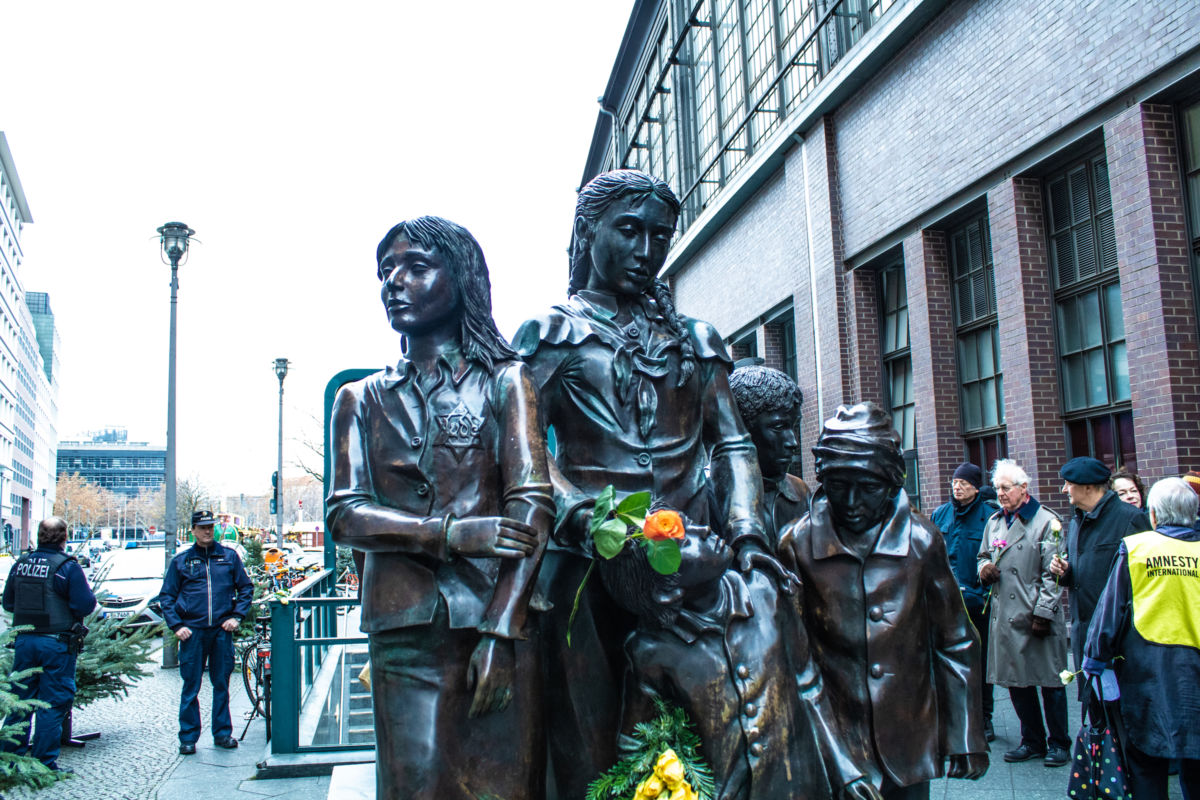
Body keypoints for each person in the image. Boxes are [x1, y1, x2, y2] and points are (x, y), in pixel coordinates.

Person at [514, 169, 779, 799]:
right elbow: (527, 453)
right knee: (591, 742)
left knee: (713, 740)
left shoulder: (696, 340)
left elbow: (734, 441)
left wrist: (747, 535)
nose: (645, 251)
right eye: (628, 231)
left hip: (694, 564)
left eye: (659, 237)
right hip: (586, 569)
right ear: (588, 231)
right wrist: (589, 520)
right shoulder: (551, 334)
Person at [327, 217, 554, 800]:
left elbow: (532, 505)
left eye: (416, 267)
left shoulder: (507, 382)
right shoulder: (360, 398)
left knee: (506, 788)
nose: (394, 283)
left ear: (463, 279)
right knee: (415, 788)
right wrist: (448, 535)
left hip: (496, 618)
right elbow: (345, 515)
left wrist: (503, 632)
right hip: (405, 630)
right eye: (386, 273)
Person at [779, 403, 988, 799]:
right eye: (839, 486)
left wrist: (964, 733)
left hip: (909, 735)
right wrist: (837, 760)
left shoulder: (922, 541)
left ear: (891, 482)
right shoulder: (797, 545)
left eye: (869, 487)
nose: (853, 500)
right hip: (834, 737)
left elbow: (955, 640)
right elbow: (795, 664)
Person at [600, 518, 878, 800]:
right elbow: (635, 747)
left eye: (690, 524)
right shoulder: (649, 651)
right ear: (668, 591)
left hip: (799, 787)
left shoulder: (765, 592)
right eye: (684, 541)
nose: (705, 529)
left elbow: (809, 684)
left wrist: (846, 771)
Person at [1084, 476, 1200, 799]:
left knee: (1146, 769)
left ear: (1153, 516)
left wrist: (1093, 662)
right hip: (1195, 680)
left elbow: (1109, 614)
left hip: (1148, 678)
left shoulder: (1137, 550)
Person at [975, 459, 1070, 767]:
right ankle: (1032, 740)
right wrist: (984, 569)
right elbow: (984, 554)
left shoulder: (1046, 521)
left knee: (1050, 682)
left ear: (1023, 488)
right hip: (1006, 617)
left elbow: (1052, 574)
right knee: (1017, 683)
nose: (1000, 493)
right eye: (998, 488)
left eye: (1006, 488)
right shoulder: (995, 522)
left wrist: (1043, 613)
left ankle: (1059, 743)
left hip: (1034, 615)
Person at [0, 517, 96, 773]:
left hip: (24, 642)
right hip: (57, 644)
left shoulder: (21, 564)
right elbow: (85, 605)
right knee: (52, 704)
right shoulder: (67, 567)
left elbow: (8, 603)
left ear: (39, 536)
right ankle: (43, 765)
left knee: (20, 701)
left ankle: (9, 762)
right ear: (65, 537)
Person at [158, 509, 253, 755]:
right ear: (193, 531)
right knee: (191, 686)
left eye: (210, 527)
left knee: (221, 683)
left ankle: (222, 734)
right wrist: (177, 626)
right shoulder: (182, 561)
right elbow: (166, 596)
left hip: (222, 630)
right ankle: (188, 737)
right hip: (193, 632)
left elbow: (245, 588)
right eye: (202, 527)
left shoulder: (229, 557)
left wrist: (237, 616)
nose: (207, 531)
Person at [1049, 457, 1150, 676]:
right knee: (1094, 707)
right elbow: (1083, 572)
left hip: (1118, 641)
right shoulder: (1077, 520)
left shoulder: (1130, 518)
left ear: (1087, 487)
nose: (1064, 489)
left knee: (1117, 709)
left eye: (1068, 483)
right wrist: (1065, 571)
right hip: (1085, 639)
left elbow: (1142, 580)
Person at [931, 463, 999, 742]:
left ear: (975, 486)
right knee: (947, 659)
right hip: (945, 601)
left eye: (963, 483)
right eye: (954, 482)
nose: (957, 487)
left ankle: (984, 718)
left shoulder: (989, 516)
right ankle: (952, 715)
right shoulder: (941, 514)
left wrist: (981, 591)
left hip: (977, 602)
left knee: (981, 663)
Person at [729, 364, 811, 547]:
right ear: (742, 428)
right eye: (779, 427)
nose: (793, 442)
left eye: (794, 426)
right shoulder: (707, 493)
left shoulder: (800, 492)